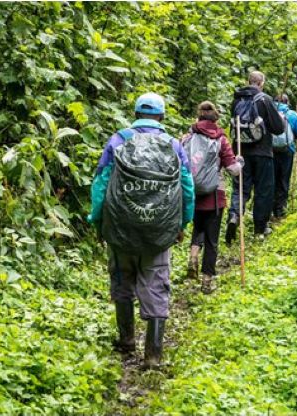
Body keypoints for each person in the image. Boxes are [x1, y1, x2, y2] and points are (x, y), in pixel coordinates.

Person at [87, 92, 195, 370]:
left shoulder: (118, 140)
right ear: (161, 116)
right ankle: (153, 354)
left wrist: (98, 221)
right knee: (157, 283)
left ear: (135, 114)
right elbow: (186, 187)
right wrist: (181, 223)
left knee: (122, 281)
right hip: (159, 231)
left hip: (120, 228)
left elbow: (100, 185)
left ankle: (125, 342)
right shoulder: (172, 144)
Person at [183, 101, 243, 293]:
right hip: (215, 196)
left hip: (193, 194)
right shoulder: (221, 140)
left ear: (199, 117)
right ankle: (207, 280)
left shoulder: (187, 138)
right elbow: (233, 170)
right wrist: (240, 162)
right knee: (212, 240)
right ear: (216, 118)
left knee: (197, 228)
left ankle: (193, 256)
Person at [225, 71, 284, 244]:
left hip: (241, 152)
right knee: (263, 190)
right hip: (263, 152)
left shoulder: (237, 99)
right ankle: (260, 227)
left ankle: (234, 215)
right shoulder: (265, 100)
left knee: (240, 188)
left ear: (248, 81)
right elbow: (278, 128)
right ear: (262, 83)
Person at [272, 94, 297, 219]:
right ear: (287, 102)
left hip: (270, 151)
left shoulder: (269, 113)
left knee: (272, 179)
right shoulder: (291, 114)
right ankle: (280, 210)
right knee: (283, 179)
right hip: (287, 150)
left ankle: (271, 209)